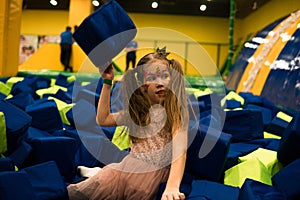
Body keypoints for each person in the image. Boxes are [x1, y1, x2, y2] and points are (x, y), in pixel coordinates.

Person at [67, 47, 189, 200]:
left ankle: (98, 171)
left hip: (151, 176)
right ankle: (98, 172)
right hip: (128, 166)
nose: (159, 83)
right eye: (151, 77)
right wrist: (107, 82)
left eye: (164, 76)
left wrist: (172, 186)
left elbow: (180, 152)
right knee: (98, 184)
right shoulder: (137, 113)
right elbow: (103, 119)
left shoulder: (175, 113)